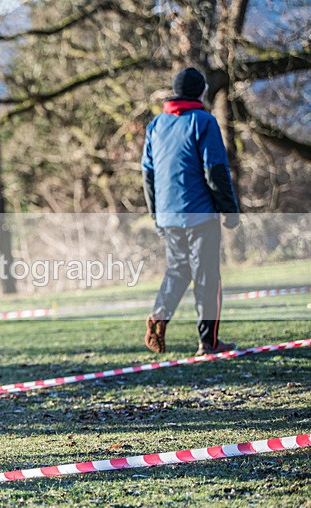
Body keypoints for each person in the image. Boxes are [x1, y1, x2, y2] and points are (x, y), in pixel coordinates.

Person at [142, 67, 240, 356]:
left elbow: (148, 176)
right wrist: (229, 211)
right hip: (200, 213)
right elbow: (215, 170)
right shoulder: (204, 122)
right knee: (207, 276)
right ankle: (208, 342)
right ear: (201, 93)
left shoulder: (155, 125)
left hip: (168, 214)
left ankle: (159, 314)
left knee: (178, 270)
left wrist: (155, 215)